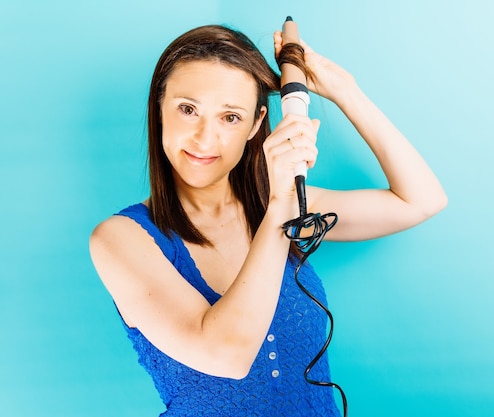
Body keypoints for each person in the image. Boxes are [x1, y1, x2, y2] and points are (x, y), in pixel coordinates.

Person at [89, 22, 447, 417]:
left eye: (230, 117)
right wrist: (280, 206)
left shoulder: (281, 205)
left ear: (257, 124)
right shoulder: (121, 239)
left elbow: (421, 200)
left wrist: (345, 91)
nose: (205, 139)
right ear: (159, 110)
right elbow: (227, 355)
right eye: (188, 109)